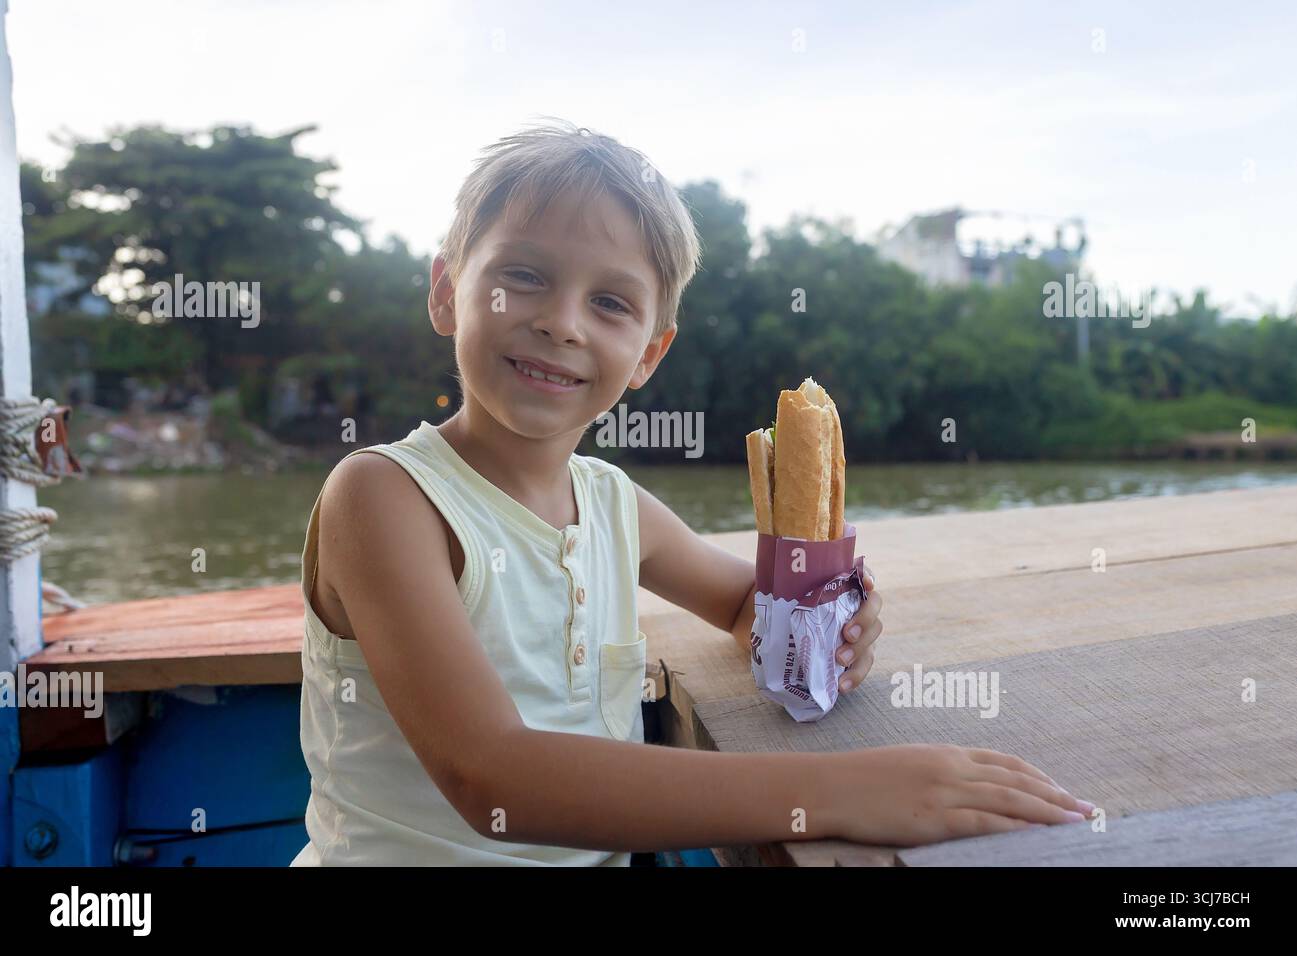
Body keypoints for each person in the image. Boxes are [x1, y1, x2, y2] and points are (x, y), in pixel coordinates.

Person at [290, 120, 1091, 866]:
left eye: (610, 303)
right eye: (523, 277)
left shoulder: (614, 504)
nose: (562, 322)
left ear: (649, 353)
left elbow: (748, 605)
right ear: (445, 292)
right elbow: (492, 777)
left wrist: (832, 627)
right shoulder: (384, 496)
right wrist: (844, 792)